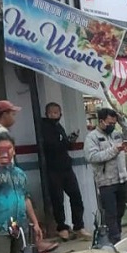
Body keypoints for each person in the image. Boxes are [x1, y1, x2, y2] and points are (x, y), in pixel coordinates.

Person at [41, 102, 90, 241]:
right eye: (51, 113)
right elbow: (52, 145)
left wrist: (70, 139)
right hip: (53, 169)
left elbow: (64, 146)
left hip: (66, 168)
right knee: (57, 200)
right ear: (47, 113)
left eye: (57, 112)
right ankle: (62, 227)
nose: (54, 115)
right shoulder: (44, 127)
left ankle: (78, 226)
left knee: (76, 197)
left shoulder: (59, 127)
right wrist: (64, 142)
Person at [84, 108, 127, 243]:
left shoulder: (116, 134)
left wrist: (122, 121)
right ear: (101, 121)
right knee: (111, 213)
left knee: (120, 212)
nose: (112, 126)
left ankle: (118, 236)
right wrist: (115, 150)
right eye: (110, 123)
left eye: (114, 123)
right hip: (106, 182)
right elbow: (92, 157)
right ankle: (113, 240)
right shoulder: (92, 137)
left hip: (121, 179)